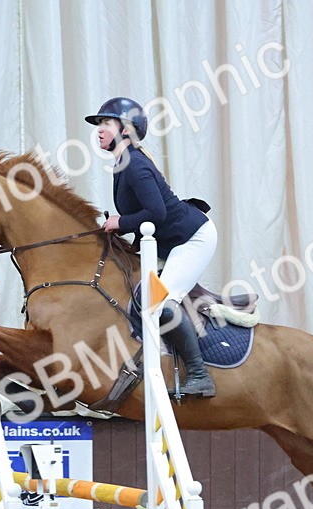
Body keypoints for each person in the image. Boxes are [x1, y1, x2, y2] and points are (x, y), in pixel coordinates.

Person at [86, 97, 217, 398]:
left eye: (106, 123)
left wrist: (120, 223)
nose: (99, 130)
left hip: (192, 238)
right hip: (172, 239)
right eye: (100, 125)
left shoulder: (135, 166)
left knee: (160, 301)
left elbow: (156, 213)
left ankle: (200, 374)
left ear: (126, 129)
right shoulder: (123, 163)